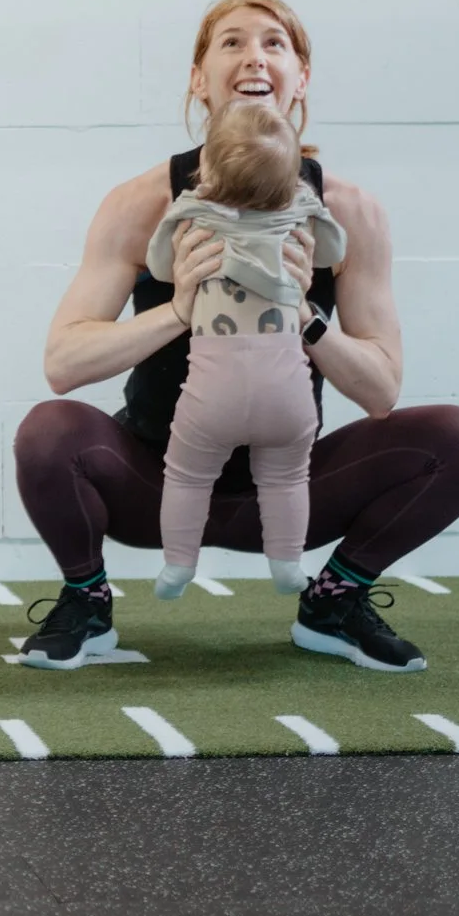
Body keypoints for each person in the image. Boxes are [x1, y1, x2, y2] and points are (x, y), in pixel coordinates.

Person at [15, 0, 459, 673]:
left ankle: (334, 601)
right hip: (159, 478)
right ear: (197, 77)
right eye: (231, 42)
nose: (254, 57)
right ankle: (86, 601)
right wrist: (178, 308)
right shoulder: (144, 202)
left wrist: (305, 314)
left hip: (288, 479)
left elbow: (382, 388)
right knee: (48, 431)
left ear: (301, 76)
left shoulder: (349, 211)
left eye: (275, 43)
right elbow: (63, 361)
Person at [145, 102, 347, 599]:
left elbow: (160, 267)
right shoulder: (302, 210)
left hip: (214, 389)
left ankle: (178, 565)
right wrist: (306, 208)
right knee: (286, 478)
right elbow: (335, 253)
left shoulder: (193, 214)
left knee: (188, 477)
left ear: (207, 169)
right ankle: (286, 563)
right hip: (287, 389)